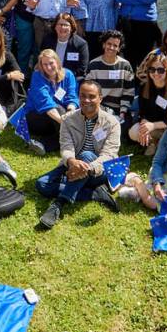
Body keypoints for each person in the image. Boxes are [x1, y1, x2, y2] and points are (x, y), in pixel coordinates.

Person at [35, 80, 122, 228]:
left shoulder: (112, 123)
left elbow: (109, 154)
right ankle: (94, 194)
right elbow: (66, 146)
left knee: (87, 155)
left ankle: (59, 204)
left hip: (99, 170)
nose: (86, 100)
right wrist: (71, 162)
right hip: (73, 164)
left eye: (92, 96)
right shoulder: (68, 120)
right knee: (42, 184)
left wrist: (87, 168)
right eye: (83, 96)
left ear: (100, 98)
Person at [23, 48, 79, 154]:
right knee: (57, 108)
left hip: (61, 116)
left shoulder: (68, 75)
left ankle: (43, 144)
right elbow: (46, 103)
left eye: (51, 63)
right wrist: (66, 122)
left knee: (74, 113)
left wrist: (71, 111)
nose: (48, 67)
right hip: (37, 116)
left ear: (57, 62)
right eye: (45, 64)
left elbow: (72, 97)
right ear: (41, 66)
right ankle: (75, 143)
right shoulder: (37, 76)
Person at [44, 12, 91, 80]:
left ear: (71, 27)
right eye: (60, 24)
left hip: (70, 78)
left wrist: (62, 76)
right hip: (50, 76)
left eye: (66, 25)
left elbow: (82, 69)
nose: (62, 27)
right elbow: (42, 61)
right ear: (55, 27)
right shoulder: (48, 40)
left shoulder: (81, 44)